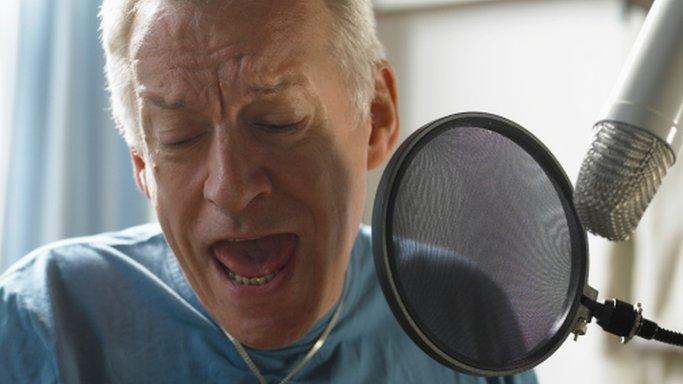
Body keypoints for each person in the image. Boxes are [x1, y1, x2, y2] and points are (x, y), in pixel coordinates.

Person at [0, 1, 537, 382]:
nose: (230, 189)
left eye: (277, 122)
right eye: (179, 139)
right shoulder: (47, 320)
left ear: (375, 117)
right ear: (143, 165)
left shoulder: (458, 313)